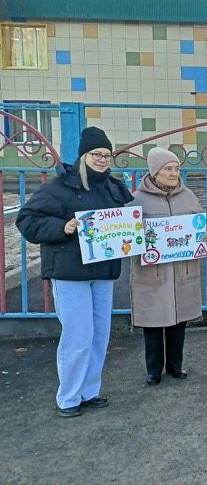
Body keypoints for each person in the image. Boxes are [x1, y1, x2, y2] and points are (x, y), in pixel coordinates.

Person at [16, 127, 133, 418]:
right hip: (70, 272)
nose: (102, 159)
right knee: (78, 336)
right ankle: (68, 397)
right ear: (83, 156)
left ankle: (89, 391)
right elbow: (27, 220)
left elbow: (124, 224)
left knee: (99, 336)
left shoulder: (112, 187)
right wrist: (62, 227)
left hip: (103, 271)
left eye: (107, 155)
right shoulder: (60, 187)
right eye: (96, 154)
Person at [128, 148, 203, 385]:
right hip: (153, 269)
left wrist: (204, 236)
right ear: (154, 172)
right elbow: (128, 233)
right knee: (153, 320)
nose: (173, 173)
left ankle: (175, 365)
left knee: (179, 319)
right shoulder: (136, 199)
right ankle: (153, 369)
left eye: (176, 169)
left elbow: (197, 226)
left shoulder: (188, 196)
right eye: (167, 169)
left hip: (182, 266)